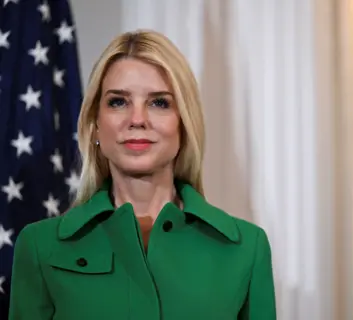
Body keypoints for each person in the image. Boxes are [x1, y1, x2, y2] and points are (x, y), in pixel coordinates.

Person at [8, 30, 276, 320]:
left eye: (159, 102)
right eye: (118, 102)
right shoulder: (39, 246)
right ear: (95, 125)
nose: (137, 119)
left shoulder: (247, 249)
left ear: (184, 123)